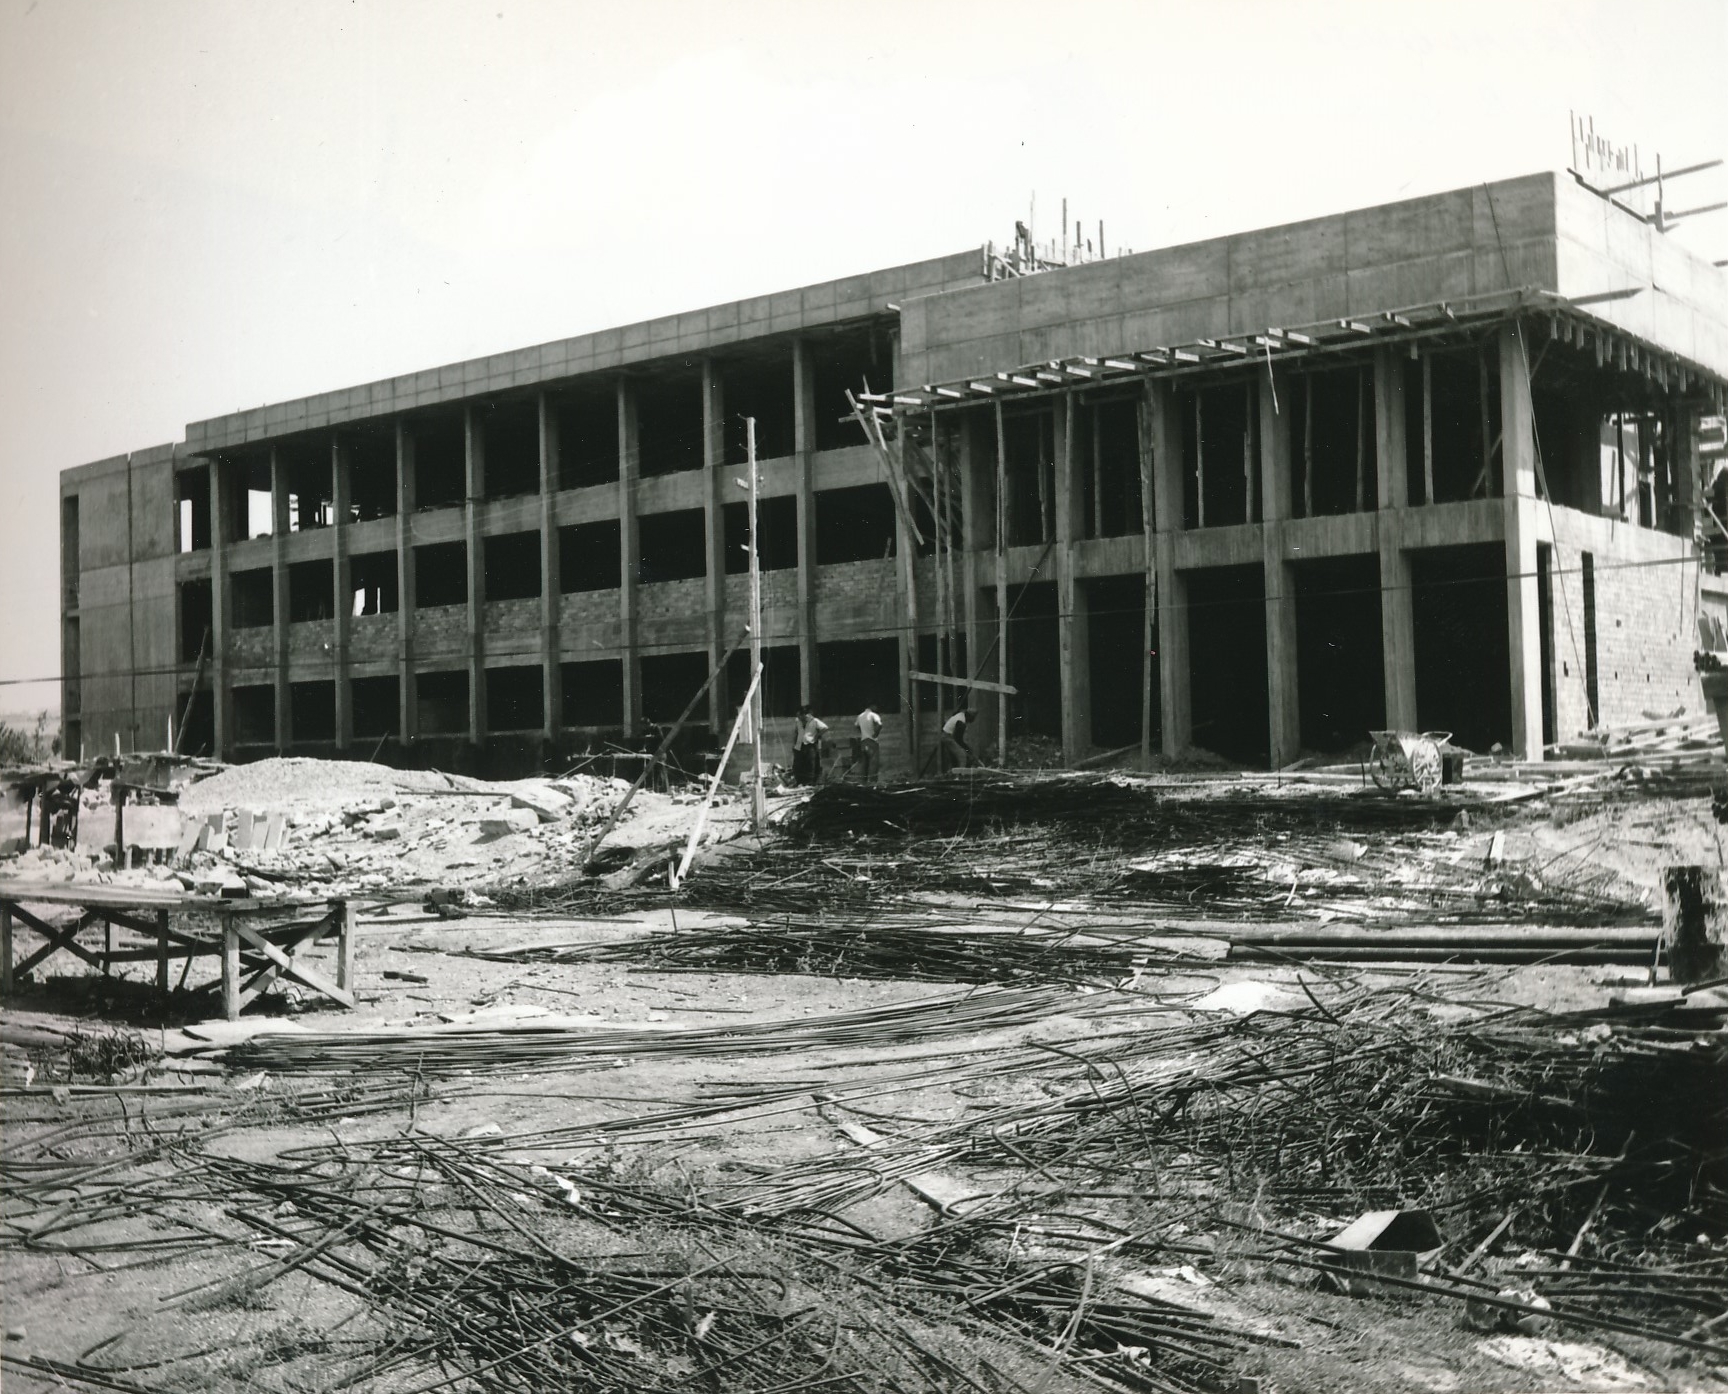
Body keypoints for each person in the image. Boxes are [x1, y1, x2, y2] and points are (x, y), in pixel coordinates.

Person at [790, 705, 828, 785]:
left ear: (804, 714)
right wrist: (794, 744)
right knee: (798, 764)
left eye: (800, 715)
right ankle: (799, 781)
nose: (799, 717)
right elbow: (796, 732)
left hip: (810, 744)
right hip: (799, 744)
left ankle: (810, 782)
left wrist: (817, 735)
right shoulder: (797, 721)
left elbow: (825, 728)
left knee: (810, 763)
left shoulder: (814, 721)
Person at [853, 703, 882, 784]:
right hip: (872, 741)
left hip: (863, 741)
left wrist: (862, 732)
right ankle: (873, 782)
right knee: (873, 762)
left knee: (864, 763)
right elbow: (880, 724)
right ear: (872, 707)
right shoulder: (873, 715)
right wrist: (875, 734)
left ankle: (863, 782)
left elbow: (856, 725)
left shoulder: (860, 716)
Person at [941, 707, 977, 772]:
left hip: (947, 736)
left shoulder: (961, 715)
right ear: (969, 716)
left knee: (954, 758)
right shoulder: (961, 722)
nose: (973, 719)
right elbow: (958, 739)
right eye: (973, 717)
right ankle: (961, 775)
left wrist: (967, 749)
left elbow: (958, 739)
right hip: (947, 737)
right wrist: (968, 749)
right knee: (962, 756)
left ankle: (951, 774)